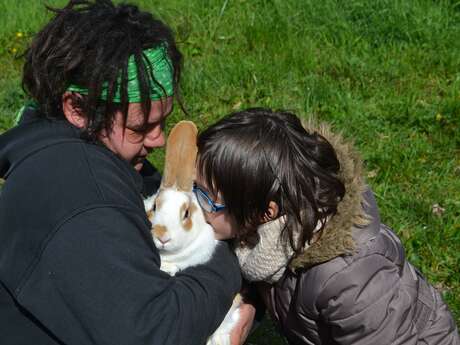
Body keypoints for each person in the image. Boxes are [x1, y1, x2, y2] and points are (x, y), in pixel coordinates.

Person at [0, 1, 241, 344]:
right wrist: (223, 262)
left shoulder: (64, 150)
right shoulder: (87, 204)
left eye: (163, 122)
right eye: (140, 128)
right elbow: (158, 334)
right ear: (78, 108)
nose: (158, 140)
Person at [195, 108, 460, 345]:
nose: (196, 205)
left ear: (265, 213)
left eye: (206, 197)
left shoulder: (350, 280)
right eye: (195, 187)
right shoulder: (267, 231)